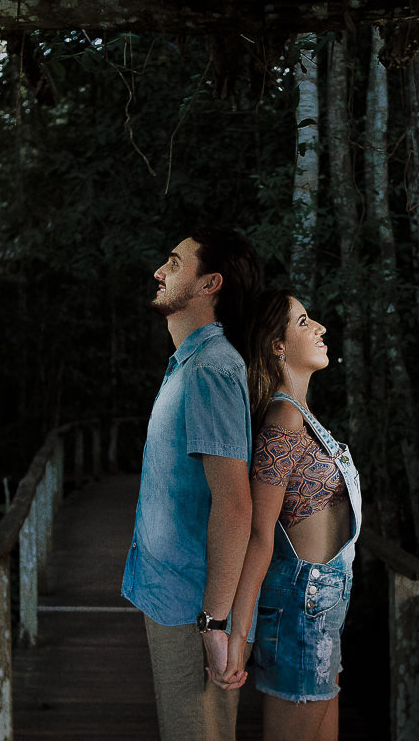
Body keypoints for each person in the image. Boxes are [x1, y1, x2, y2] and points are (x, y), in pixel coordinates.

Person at [121, 226, 261, 741]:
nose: (159, 271)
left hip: (192, 606)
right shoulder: (191, 365)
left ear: (209, 284)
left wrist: (214, 623)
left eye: (176, 263)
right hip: (174, 598)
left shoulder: (210, 370)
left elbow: (235, 505)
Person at [215, 289, 363, 741]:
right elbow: (260, 533)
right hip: (302, 604)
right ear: (277, 346)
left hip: (326, 602)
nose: (319, 328)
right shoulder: (284, 419)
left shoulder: (301, 416)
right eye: (303, 322)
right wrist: (236, 637)